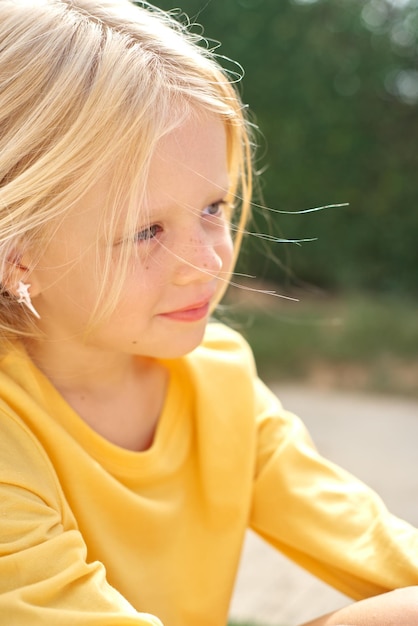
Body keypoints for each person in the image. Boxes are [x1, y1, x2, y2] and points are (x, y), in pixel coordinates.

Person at [0, 1, 417, 625]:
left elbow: (372, 543)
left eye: (213, 207)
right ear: (18, 253)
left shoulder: (219, 380)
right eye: (146, 230)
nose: (207, 260)